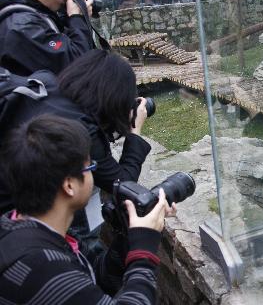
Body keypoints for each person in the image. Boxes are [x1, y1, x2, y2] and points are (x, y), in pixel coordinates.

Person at [0, 114, 175, 303]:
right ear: (69, 185)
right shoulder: (45, 268)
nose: (94, 173)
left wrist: (126, 236)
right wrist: (144, 250)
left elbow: (99, 275)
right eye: (90, 166)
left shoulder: (22, 227)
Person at [0, 50, 152, 261]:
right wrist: (135, 134)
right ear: (114, 97)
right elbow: (123, 183)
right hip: (20, 221)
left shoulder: (48, 83)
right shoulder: (78, 128)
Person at [0, 0, 94, 76]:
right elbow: (79, 67)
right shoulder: (22, 26)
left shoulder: (26, 15)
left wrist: (68, 19)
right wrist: (77, 18)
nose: (66, 0)